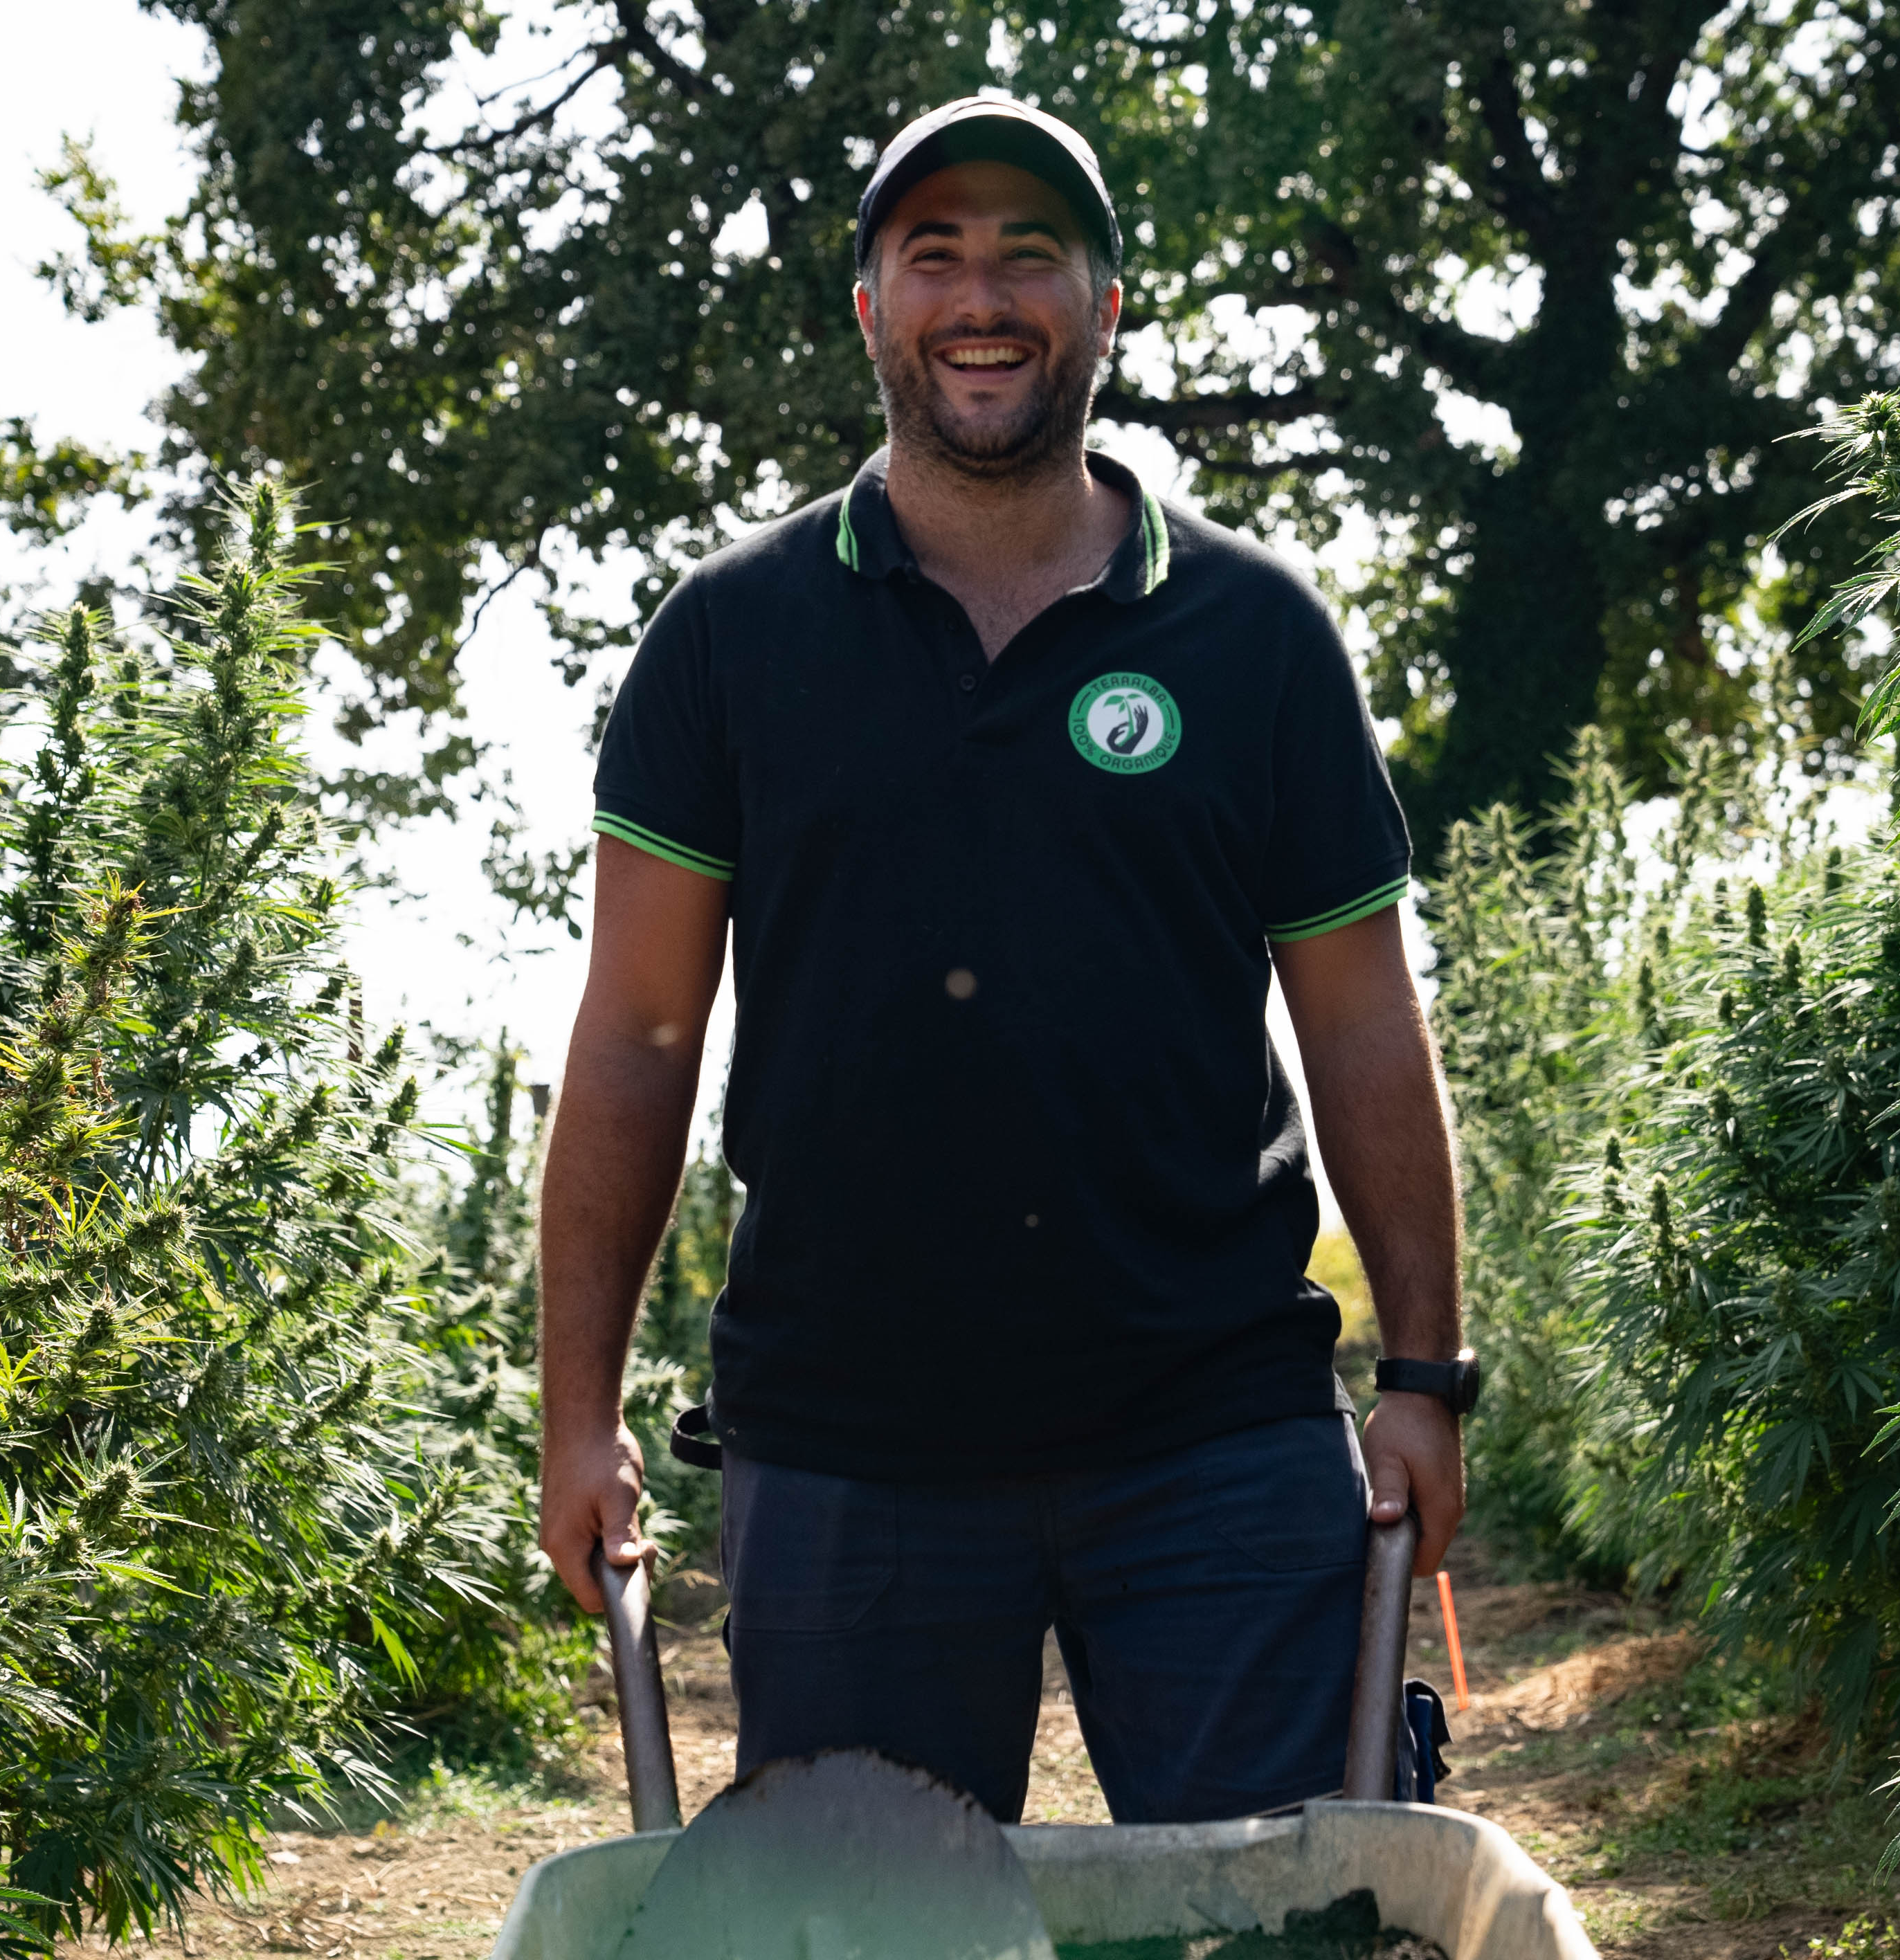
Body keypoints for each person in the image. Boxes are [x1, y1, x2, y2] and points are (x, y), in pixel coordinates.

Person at [535, 96, 1472, 1826]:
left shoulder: (1251, 634)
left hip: (1216, 1430)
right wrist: (574, 1412)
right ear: (871, 308)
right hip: (844, 1448)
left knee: (1270, 1935)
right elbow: (639, 1039)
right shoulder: (730, 638)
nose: (982, 296)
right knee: (867, 1938)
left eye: (1029, 255)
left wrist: (1420, 1377)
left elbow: (1358, 1023)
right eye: (934, 255)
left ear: (1104, 307)